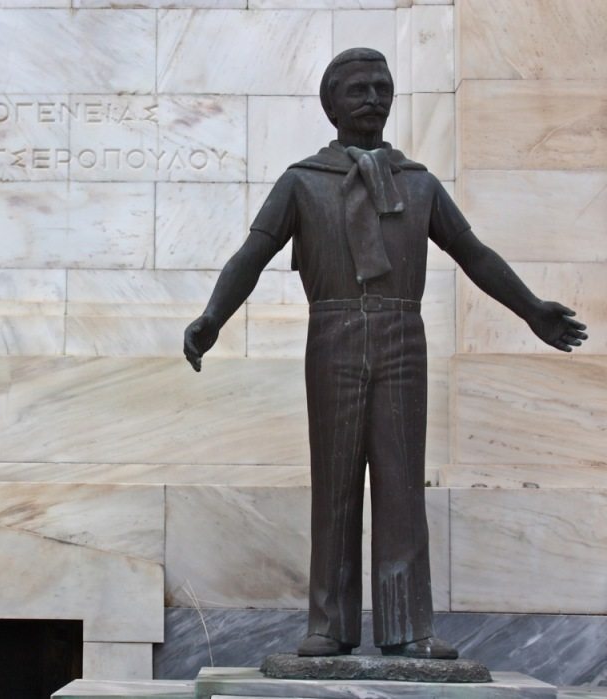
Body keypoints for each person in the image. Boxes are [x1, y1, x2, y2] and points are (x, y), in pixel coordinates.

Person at [183, 48, 587, 659]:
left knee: (401, 486)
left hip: (402, 336)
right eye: (359, 89)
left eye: (382, 87)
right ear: (332, 104)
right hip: (333, 335)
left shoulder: (418, 183)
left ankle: (407, 627)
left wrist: (531, 309)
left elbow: (473, 253)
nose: (373, 97)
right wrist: (213, 317)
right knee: (336, 482)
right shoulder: (302, 182)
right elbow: (251, 255)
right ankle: (329, 625)